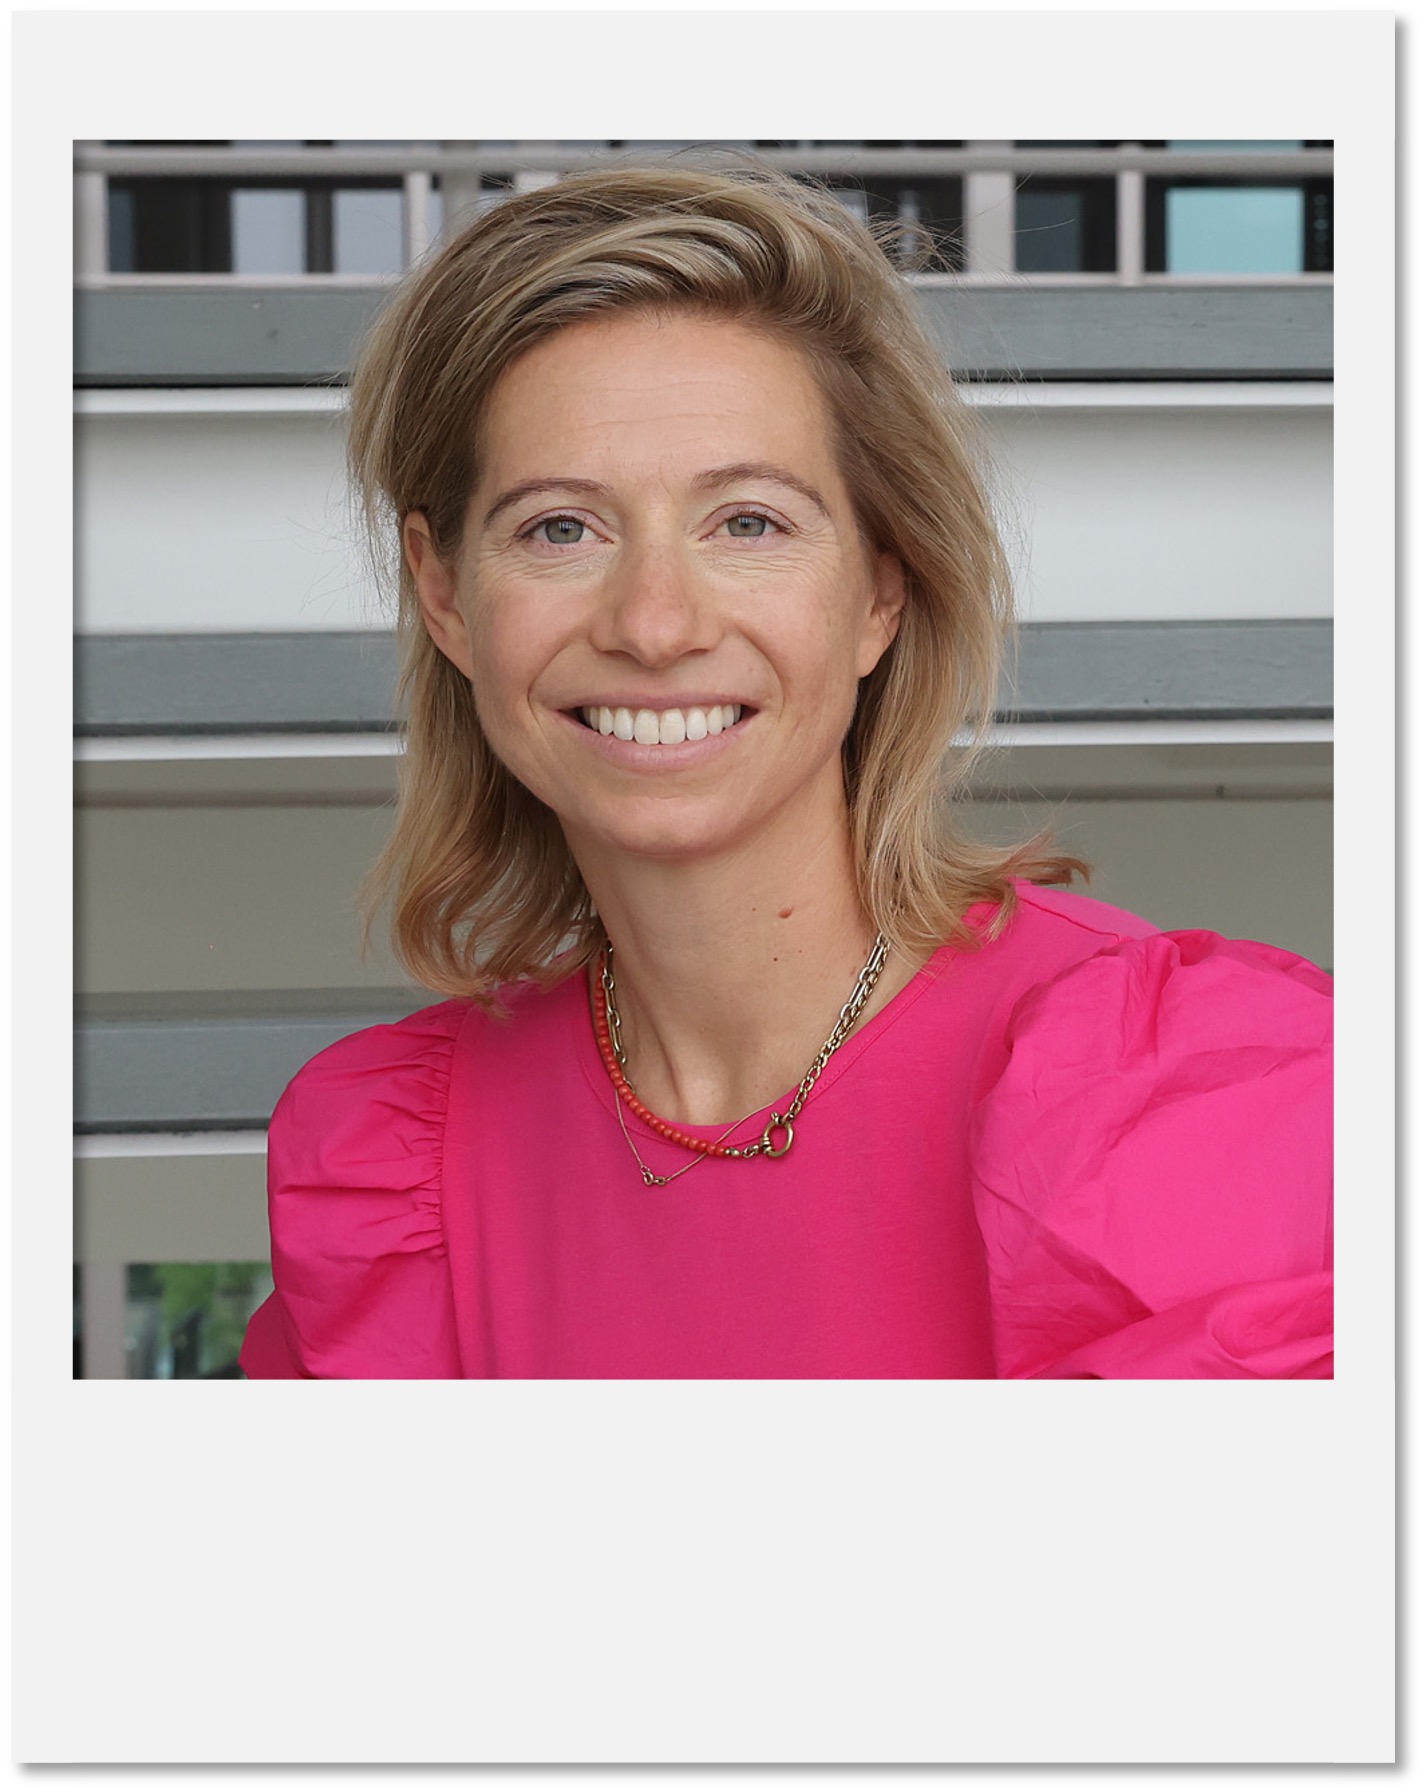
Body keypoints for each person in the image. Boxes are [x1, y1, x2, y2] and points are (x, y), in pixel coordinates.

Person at [240, 160, 1332, 1380]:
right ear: (446, 595)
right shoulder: (404, 1173)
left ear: (879, 590)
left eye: (748, 522)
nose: (656, 624)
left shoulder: (1170, 1097)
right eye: (560, 529)